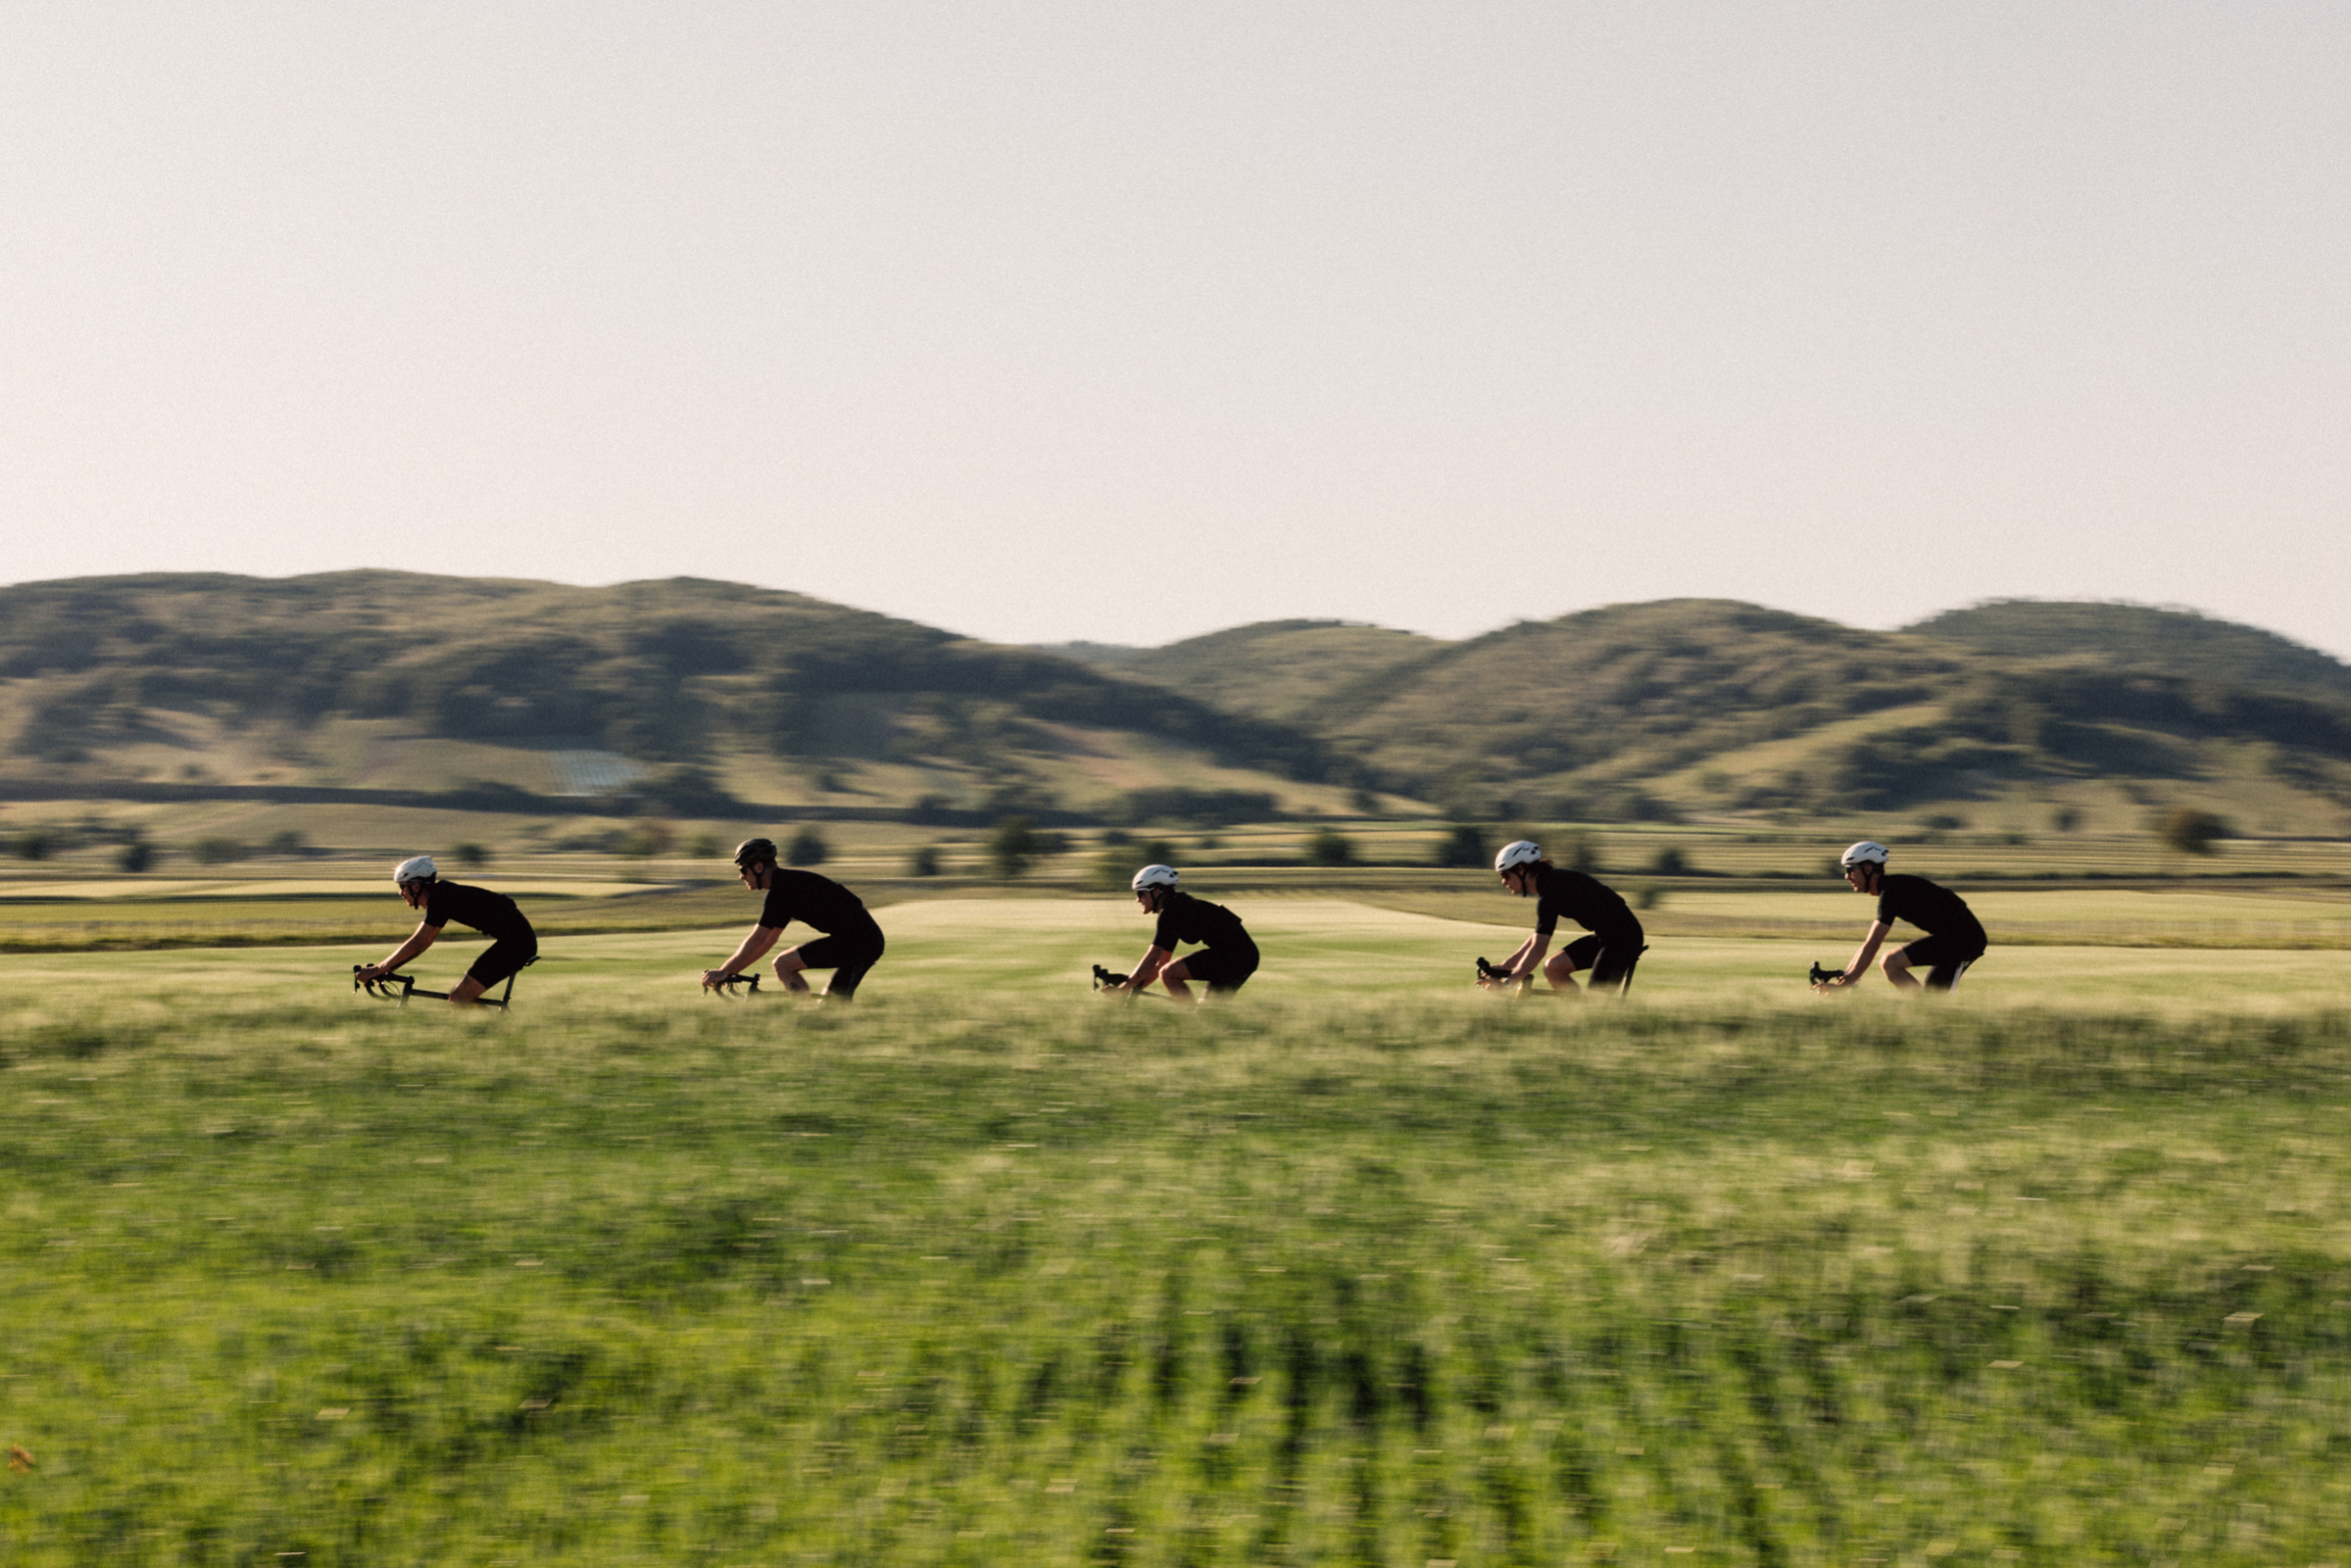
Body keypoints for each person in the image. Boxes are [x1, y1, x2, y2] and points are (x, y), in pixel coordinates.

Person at [703, 837, 886, 1001]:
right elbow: (768, 941)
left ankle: (801, 1012)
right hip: (861, 940)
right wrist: (731, 971)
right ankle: (807, 1014)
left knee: (783, 964)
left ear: (759, 867)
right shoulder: (785, 885)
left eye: (744, 869)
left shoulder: (780, 891)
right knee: (831, 1006)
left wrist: (724, 971)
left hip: (859, 942)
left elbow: (759, 938)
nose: (741, 876)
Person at [356, 855, 538, 1006]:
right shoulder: (441, 896)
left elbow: (419, 941)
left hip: (517, 943)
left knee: (459, 998)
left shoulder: (440, 898)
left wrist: (378, 969)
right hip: (516, 940)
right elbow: (424, 943)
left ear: (416, 886)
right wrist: (387, 969)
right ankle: (490, 1030)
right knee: (461, 998)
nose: (400, 892)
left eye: (402, 886)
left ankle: (490, 1034)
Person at [1813, 840, 1986, 993]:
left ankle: (1929, 1015)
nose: (1846, 876)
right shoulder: (1892, 888)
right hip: (1951, 939)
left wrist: (1846, 983)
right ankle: (1927, 1015)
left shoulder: (1891, 892)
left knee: (1890, 963)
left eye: (1851, 870)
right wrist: (1847, 977)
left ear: (1867, 869)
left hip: (1965, 940)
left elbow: (1873, 942)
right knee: (1931, 998)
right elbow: (1869, 943)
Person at [1487, 839, 1645, 996]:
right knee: (1554, 968)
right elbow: (1537, 939)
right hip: (1608, 936)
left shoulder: (1551, 890)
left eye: (1505, 875)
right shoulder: (1551, 884)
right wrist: (1506, 966)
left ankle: (1589, 1014)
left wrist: (1508, 984)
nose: (1503, 882)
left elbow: (1538, 949)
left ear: (1521, 869)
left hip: (1623, 939)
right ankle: (1575, 1012)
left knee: (1597, 1002)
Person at [1105, 863, 1258, 1001]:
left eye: (1141, 893)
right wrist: (1135, 988)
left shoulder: (1171, 911)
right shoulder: (1176, 908)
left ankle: (1188, 1015)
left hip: (1234, 957)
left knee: (1169, 973)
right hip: (1241, 957)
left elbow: (1153, 958)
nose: (1138, 900)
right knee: (1209, 1013)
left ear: (1157, 891)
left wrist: (1124, 989)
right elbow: (1160, 963)